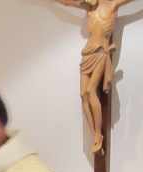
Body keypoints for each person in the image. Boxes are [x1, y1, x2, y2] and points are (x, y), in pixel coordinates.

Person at [55, 0, 137, 153]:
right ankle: (94, 135)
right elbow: (67, 3)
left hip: (101, 52)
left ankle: (99, 134)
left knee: (90, 91)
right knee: (83, 95)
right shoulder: (89, 7)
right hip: (87, 53)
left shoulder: (112, 5)